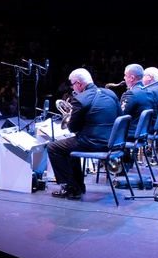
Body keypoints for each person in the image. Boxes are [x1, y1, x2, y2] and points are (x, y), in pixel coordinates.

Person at [46, 69, 121, 200]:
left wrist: (71, 118)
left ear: (79, 84)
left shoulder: (80, 99)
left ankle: (69, 187)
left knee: (53, 147)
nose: (72, 87)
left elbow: (73, 127)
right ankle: (77, 185)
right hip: (113, 141)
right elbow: (120, 117)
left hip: (94, 143)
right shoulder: (110, 94)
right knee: (70, 147)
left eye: (72, 84)